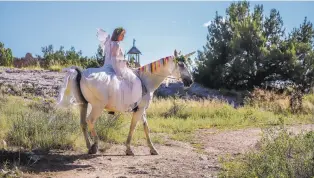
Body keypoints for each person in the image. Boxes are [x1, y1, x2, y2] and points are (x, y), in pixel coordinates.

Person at [96, 27, 142, 112]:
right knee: (137, 81)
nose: (124, 36)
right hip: (117, 68)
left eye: (124, 34)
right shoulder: (116, 44)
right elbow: (114, 59)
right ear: (118, 35)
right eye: (122, 34)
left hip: (112, 66)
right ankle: (134, 104)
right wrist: (119, 71)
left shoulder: (110, 43)